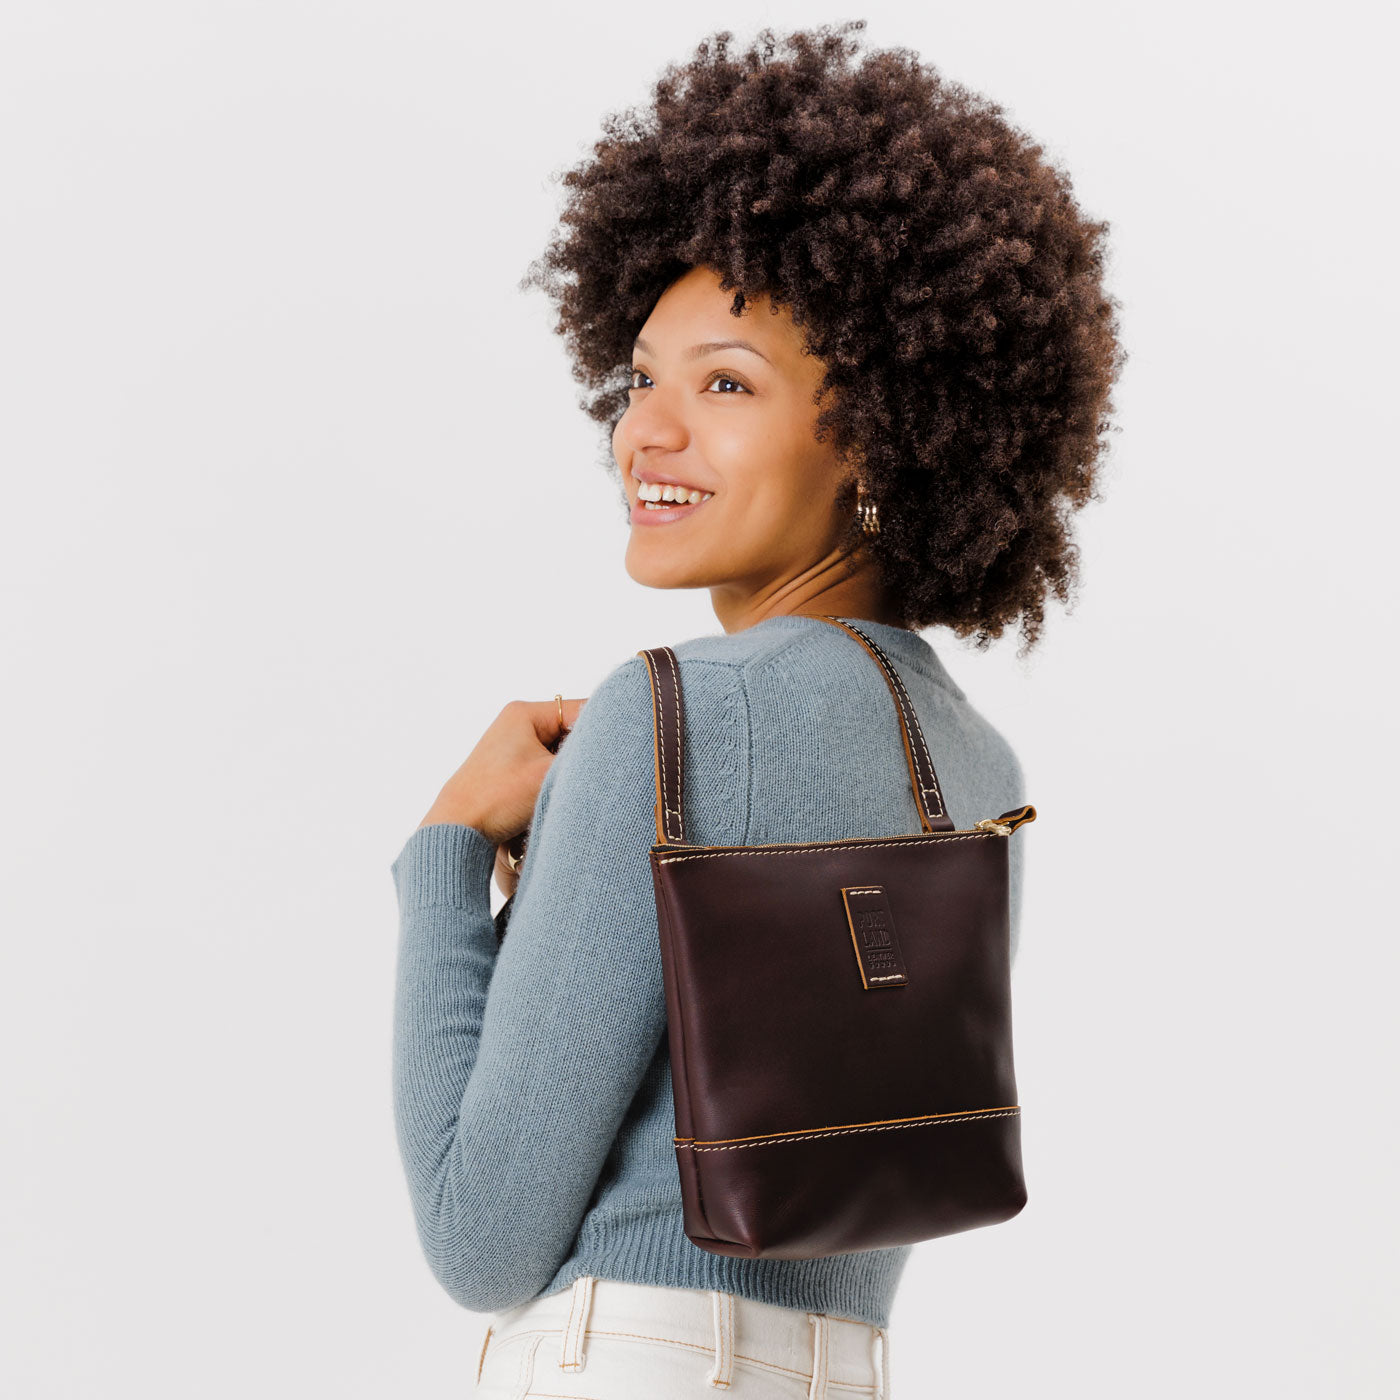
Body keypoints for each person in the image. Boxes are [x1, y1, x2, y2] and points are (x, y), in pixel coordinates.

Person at [390, 21, 1121, 1397]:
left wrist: (445, 854)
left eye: (726, 383)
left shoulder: (663, 715)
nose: (647, 434)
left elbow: (480, 1238)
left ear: (882, 433)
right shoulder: (981, 765)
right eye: (642, 380)